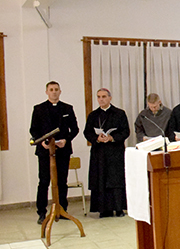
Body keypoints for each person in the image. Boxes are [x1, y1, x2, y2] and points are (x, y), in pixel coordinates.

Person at [30, 81, 80, 224]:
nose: (54, 92)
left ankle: (62, 209)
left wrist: (66, 140)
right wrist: (43, 142)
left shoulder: (67, 108)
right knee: (44, 181)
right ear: (46, 92)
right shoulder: (38, 109)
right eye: (51, 90)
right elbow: (34, 130)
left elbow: (75, 129)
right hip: (45, 152)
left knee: (62, 181)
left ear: (60, 91)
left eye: (56, 89)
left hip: (62, 150)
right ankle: (41, 212)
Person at [84, 88, 130, 218]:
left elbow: (126, 131)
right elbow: (87, 132)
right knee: (101, 180)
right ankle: (103, 210)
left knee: (115, 180)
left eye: (104, 96)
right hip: (99, 153)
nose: (101, 99)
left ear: (110, 98)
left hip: (115, 152)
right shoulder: (93, 115)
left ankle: (119, 208)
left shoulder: (119, 113)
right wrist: (96, 138)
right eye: (98, 97)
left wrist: (111, 138)